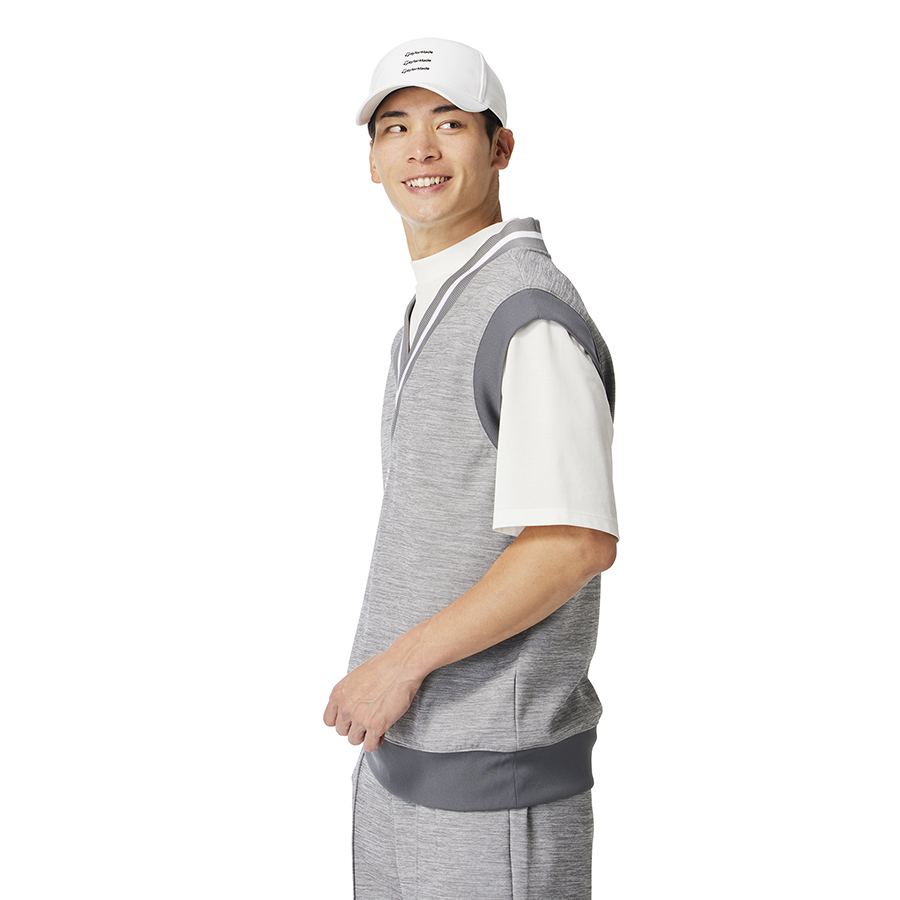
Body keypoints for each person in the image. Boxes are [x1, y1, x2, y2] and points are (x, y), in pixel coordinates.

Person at [323, 37, 619, 899]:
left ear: (501, 147)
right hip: (406, 762)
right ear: (372, 161)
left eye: (449, 123)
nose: (420, 148)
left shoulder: (526, 314)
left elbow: (572, 543)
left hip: (493, 793)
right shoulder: (438, 309)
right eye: (395, 128)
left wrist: (397, 664)